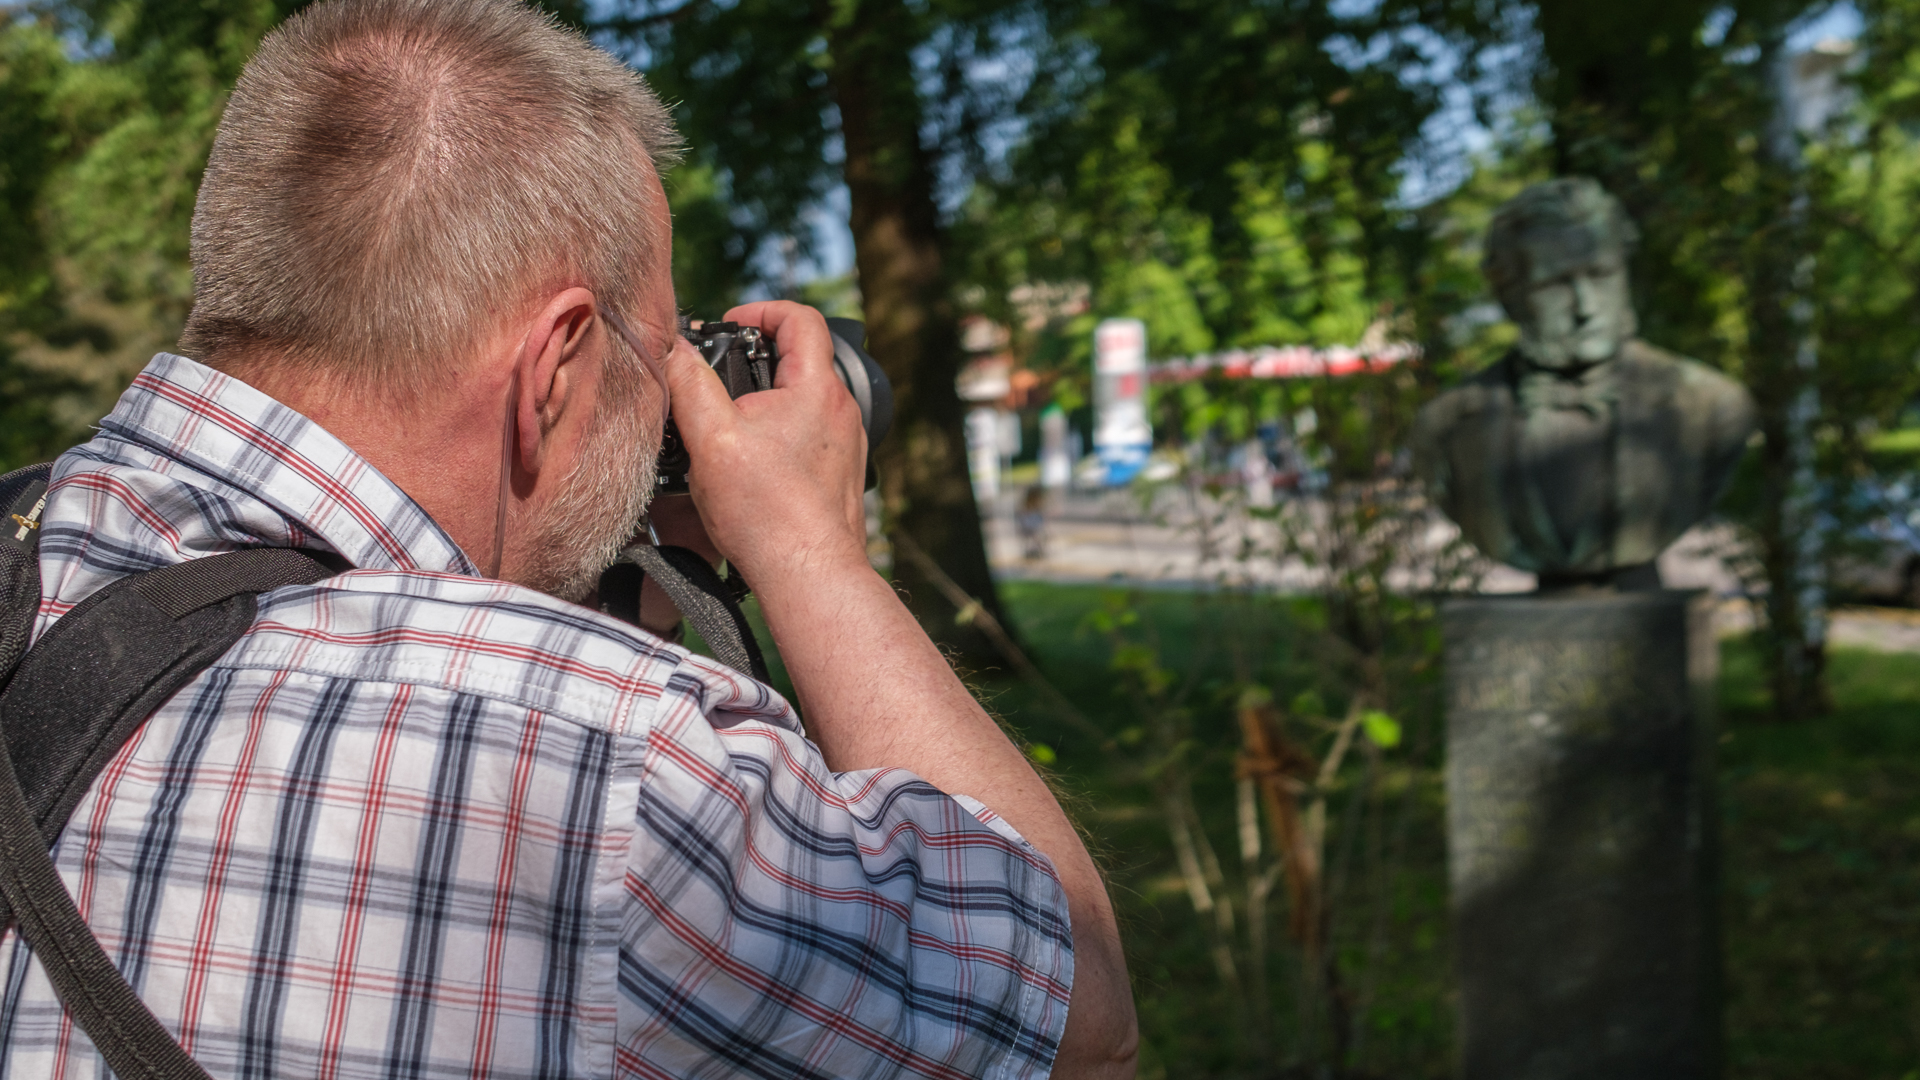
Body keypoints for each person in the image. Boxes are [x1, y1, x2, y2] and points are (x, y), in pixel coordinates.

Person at [0, 2, 1137, 1077]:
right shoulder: (600, 756)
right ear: (552, 371)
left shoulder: (34, 555)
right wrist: (807, 550)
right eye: (657, 363)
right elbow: (1076, 1021)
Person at [1411, 177, 1755, 586]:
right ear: (1511, 295)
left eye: (1601, 274)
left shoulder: (1714, 407)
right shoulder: (1446, 427)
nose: (1586, 307)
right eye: (1556, 284)